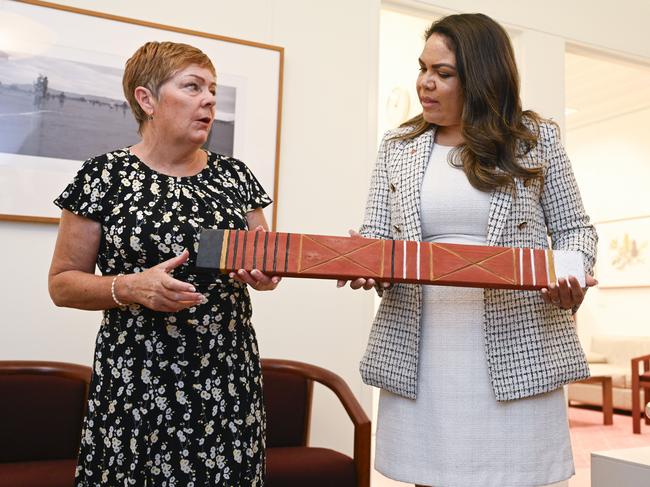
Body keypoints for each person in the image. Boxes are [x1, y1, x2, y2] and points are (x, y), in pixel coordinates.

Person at [340, 13, 598, 487]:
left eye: (443, 73)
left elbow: (576, 230)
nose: (425, 84)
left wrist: (572, 277)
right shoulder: (397, 146)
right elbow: (376, 235)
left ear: (481, 76)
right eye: (423, 69)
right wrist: (365, 262)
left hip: (517, 345)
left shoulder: (534, 141)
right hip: (423, 352)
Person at [48, 41, 279, 486]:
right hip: (134, 382)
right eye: (193, 86)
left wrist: (265, 276)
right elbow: (61, 284)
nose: (209, 99)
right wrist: (131, 287)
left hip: (226, 381)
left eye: (212, 89)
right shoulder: (102, 177)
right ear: (146, 99)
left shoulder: (236, 178)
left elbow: (266, 267)